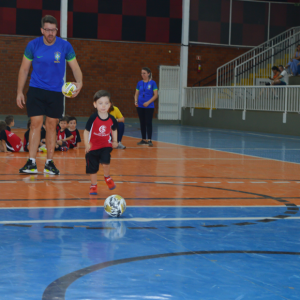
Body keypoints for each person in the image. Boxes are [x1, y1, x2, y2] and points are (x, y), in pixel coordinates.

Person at [16, 15, 83, 175]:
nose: (51, 33)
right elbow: (24, 69)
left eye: (53, 30)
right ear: (42, 30)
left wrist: (79, 82)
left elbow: (75, 67)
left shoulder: (65, 46)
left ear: (56, 30)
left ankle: (49, 163)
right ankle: (31, 163)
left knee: (52, 126)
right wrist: (19, 91)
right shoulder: (33, 45)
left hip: (55, 92)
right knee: (35, 124)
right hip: (36, 90)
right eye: (47, 30)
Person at [84, 90, 118, 195]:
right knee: (93, 169)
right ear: (95, 104)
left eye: (106, 103)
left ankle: (107, 177)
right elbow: (86, 131)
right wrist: (86, 144)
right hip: (93, 147)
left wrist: (115, 140)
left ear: (110, 105)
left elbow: (114, 129)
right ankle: (93, 185)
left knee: (106, 161)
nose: (103, 106)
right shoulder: (93, 118)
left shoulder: (112, 119)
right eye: (100, 103)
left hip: (105, 146)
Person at [134, 67, 158, 147]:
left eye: (144, 73)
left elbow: (156, 95)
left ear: (149, 73)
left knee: (148, 122)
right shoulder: (139, 83)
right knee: (142, 122)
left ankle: (150, 140)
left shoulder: (153, 83)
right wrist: (136, 101)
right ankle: (143, 139)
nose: (142, 75)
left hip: (149, 106)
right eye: (141, 73)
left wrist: (148, 102)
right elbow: (136, 94)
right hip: (140, 106)